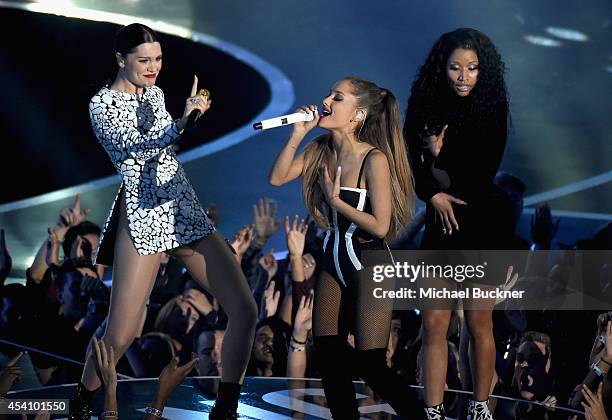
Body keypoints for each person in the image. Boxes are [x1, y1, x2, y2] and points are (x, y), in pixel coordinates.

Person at [69, 23, 257, 420]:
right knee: (121, 334)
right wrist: (181, 122)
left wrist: (186, 121)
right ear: (121, 60)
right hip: (144, 215)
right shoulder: (101, 104)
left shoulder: (154, 94)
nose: (153, 68)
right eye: (144, 61)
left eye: (157, 60)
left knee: (244, 307)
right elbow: (134, 152)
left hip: (182, 208)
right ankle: (82, 405)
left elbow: (165, 144)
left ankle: (225, 408)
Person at [270, 76, 415, 418]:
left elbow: (381, 225)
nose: (326, 100)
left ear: (357, 114)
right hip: (333, 257)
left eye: (337, 97)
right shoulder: (320, 149)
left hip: (371, 262)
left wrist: (338, 202)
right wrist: (297, 134)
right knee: (329, 356)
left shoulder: (373, 159)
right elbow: (277, 177)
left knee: (371, 364)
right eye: (329, 93)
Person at [403, 28, 511, 419]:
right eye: (455, 68)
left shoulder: (492, 105)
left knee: (480, 320)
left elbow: (479, 175)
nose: (464, 76)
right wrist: (431, 191)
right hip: (439, 224)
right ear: (441, 68)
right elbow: (408, 163)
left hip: (481, 223)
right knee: (434, 324)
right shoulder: (424, 103)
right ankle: (433, 411)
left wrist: (438, 159)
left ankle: (480, 407)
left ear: (484, 71)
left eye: (472, 68)